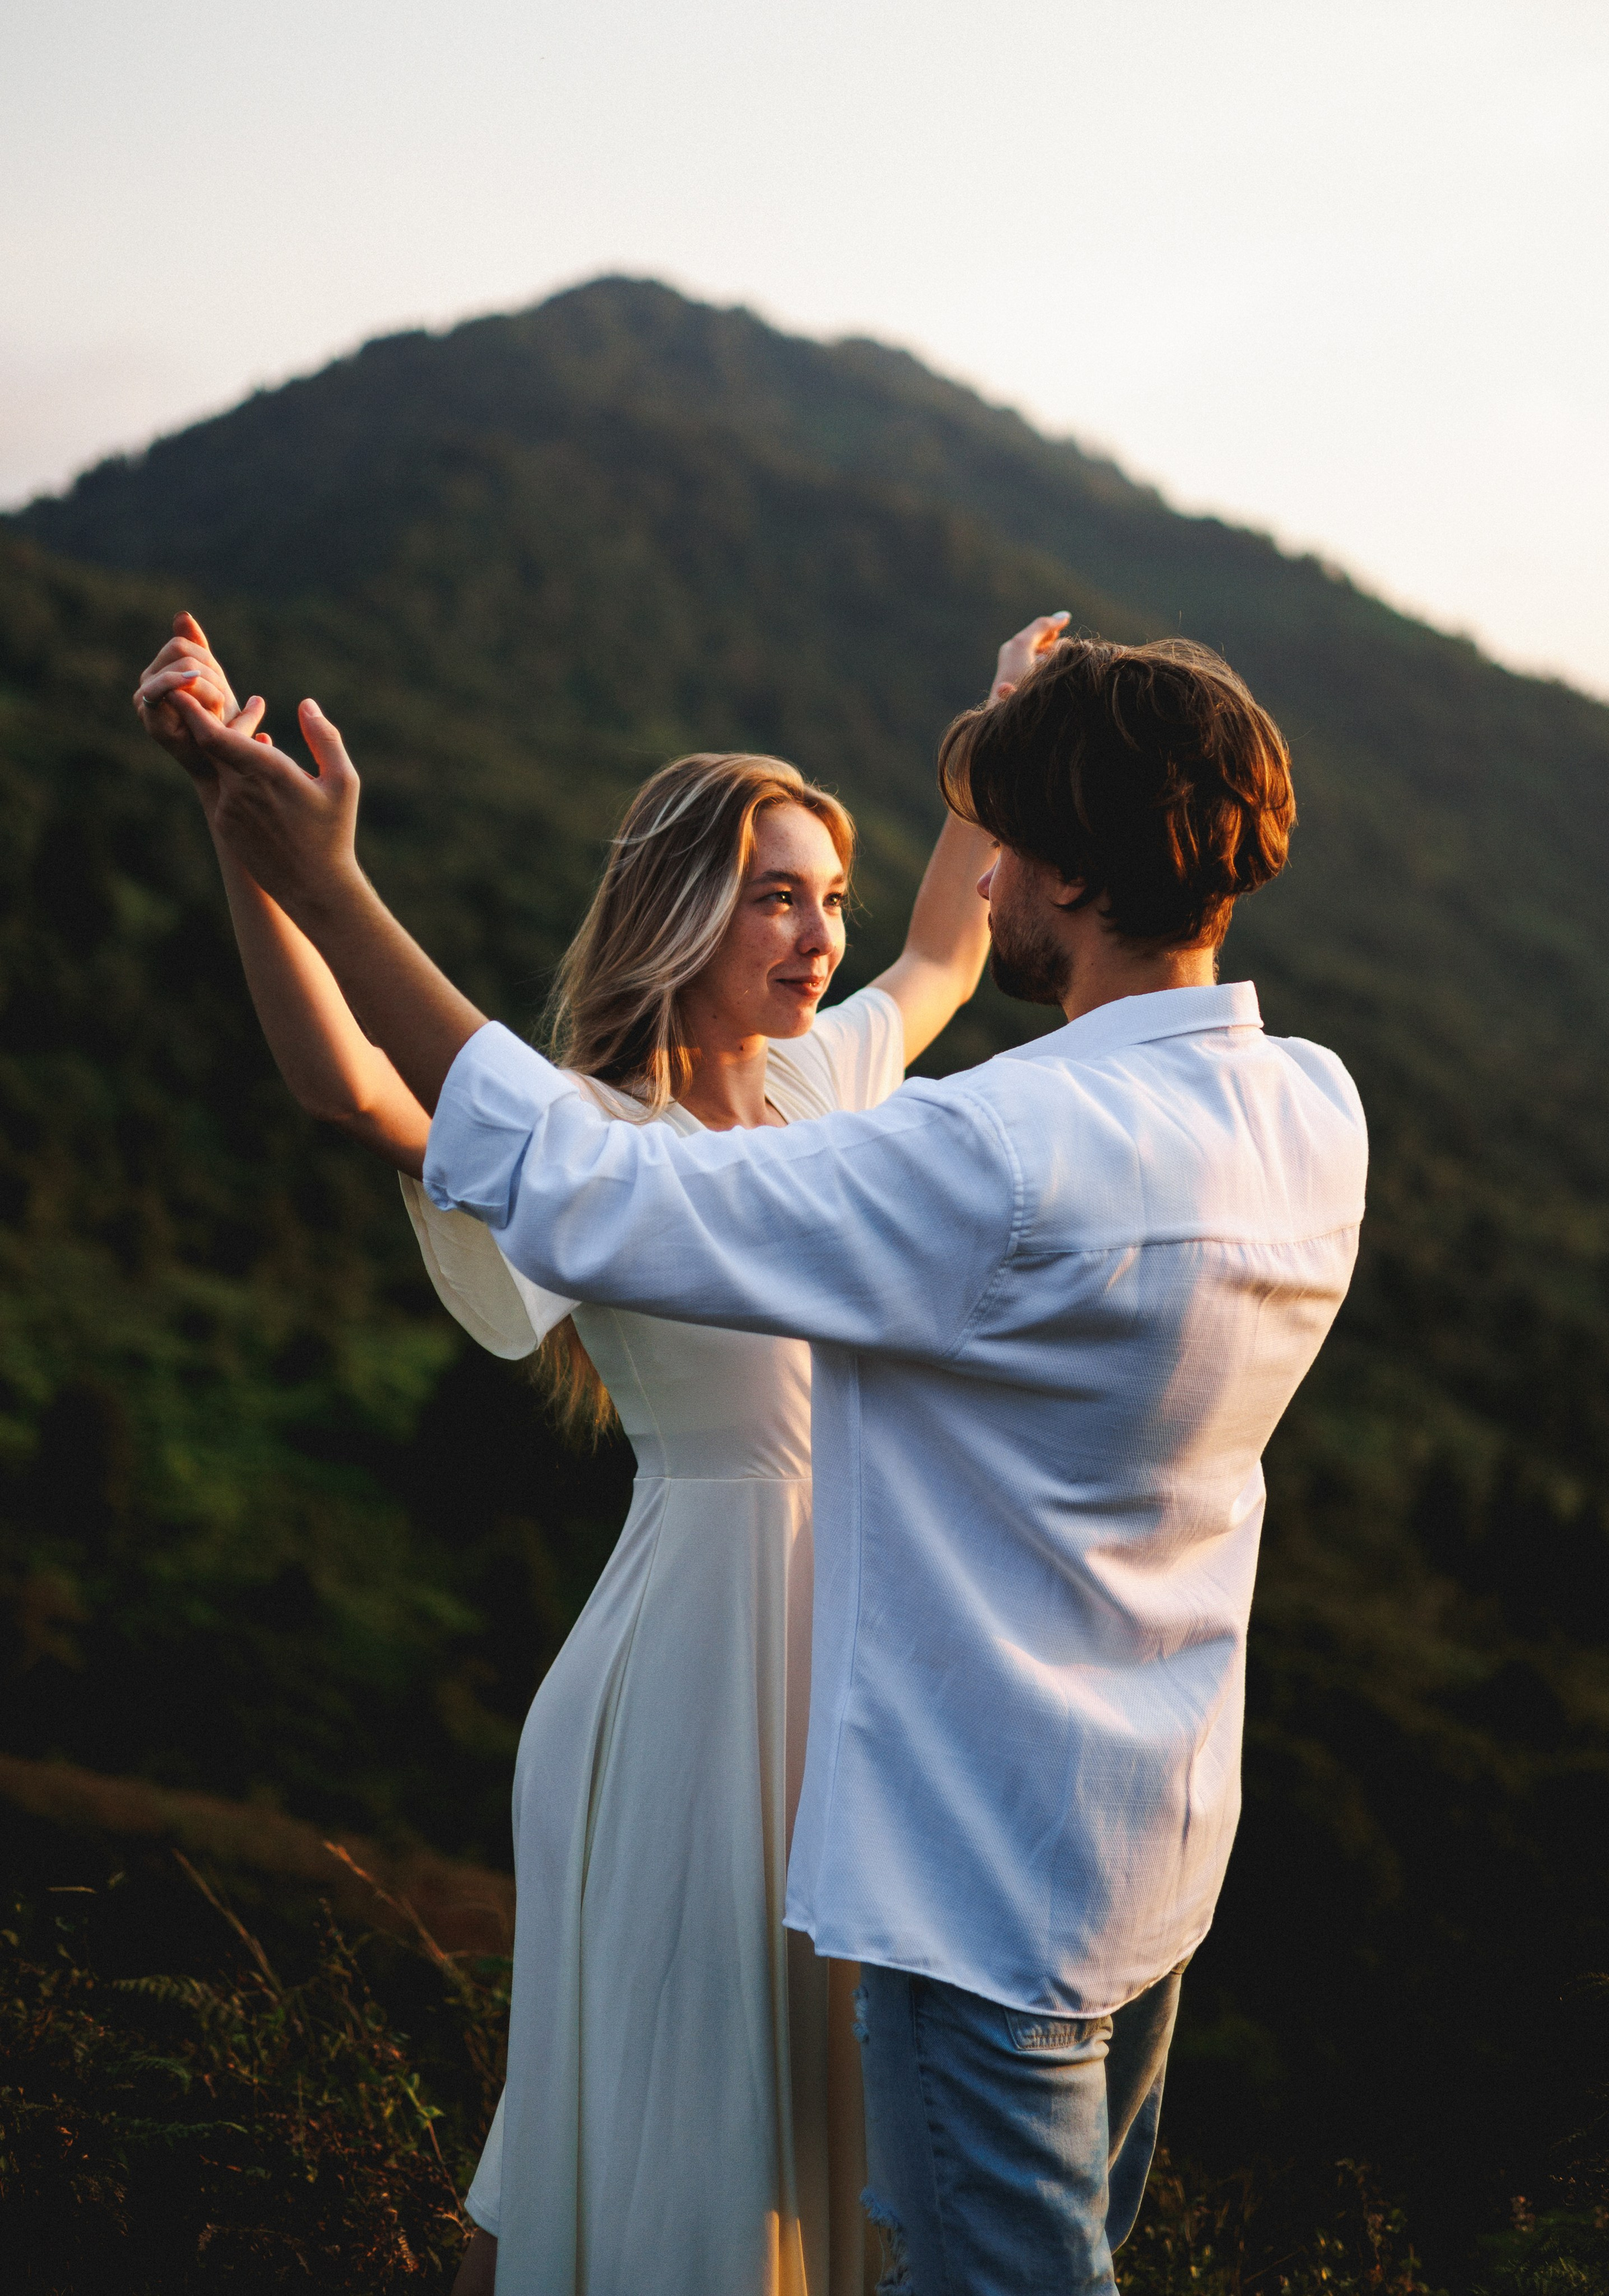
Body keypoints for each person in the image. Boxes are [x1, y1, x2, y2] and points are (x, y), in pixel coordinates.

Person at [151, 628, 1368, 2295]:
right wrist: (268, 861)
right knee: (733, 2111)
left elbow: (945, 949)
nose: (815, 933)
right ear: (678, 913)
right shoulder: (1278, 1106)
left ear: (1060, 864)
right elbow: (359, 1092)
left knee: (885, 2136)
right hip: (722, 1663)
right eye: (770, 894)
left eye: (824, 894)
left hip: (898, 1688)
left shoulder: (860, 1110)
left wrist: (1007, 750)